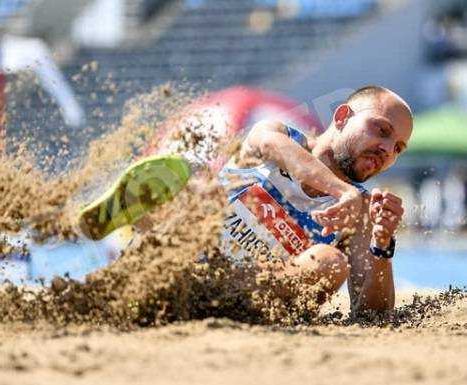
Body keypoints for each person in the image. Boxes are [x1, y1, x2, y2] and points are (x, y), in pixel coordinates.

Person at [78, 85, 413, 314]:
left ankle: (200, 286)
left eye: (397, 148)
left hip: (244, 300)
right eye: (381, 130)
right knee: (198, 181)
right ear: (341, 117)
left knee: (330, 262)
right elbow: (269, 145)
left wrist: (381, 246)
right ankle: (144, 225)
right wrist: (341, 191)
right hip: (188, 256)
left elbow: (372, 314)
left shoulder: (362, 212)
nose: (387, 150)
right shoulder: (279, 134)